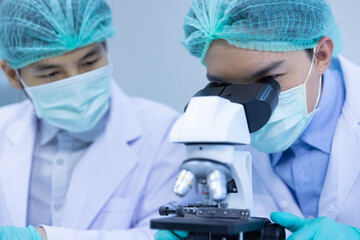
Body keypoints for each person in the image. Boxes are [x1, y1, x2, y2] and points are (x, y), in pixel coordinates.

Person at [156, 0, 360, 239]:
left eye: (268, 79)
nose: (249, 105)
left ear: (321, 55)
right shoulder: (218, 131)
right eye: (223, 85)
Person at [0, 0, 196, 239]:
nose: (76, 84)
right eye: (52, 73)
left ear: (105, 47)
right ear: (12, 75)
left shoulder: (164, 134)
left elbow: (164, 235)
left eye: (89, 62)